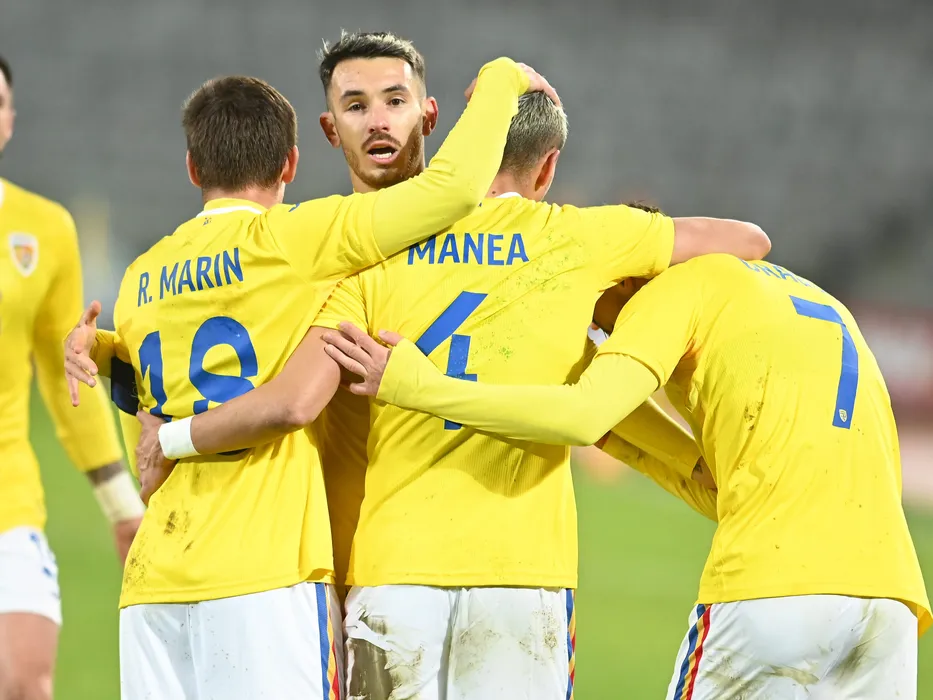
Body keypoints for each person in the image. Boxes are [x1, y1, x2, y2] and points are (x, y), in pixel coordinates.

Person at [112, 32, 770, 699]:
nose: (377, 120)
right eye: (356, 105)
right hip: (444, 574)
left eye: (393, 101)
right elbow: (742, 243)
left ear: (432, 121)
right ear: (322, 134)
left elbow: (259, 373)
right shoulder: (557, 241)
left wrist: (150, 408)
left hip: (369, 575)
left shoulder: (338, 262)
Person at [64, 57, 551, 699]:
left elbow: (147, 396)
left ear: (192, 169)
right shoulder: (299, 239)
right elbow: (453, 192)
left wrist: (94, 347)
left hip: (154, 582)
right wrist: (503, 78)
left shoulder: (141, 275)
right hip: (265, 571)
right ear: (290, 164)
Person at [328, 250, 931, 699]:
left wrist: (419, 386)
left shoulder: (676, 289)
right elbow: (715, 483)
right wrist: (623, 434)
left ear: (627, 282)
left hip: (774, 594)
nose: (600, 335)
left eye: (599, 319)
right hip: (892, 606)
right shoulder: (797, 300)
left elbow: (585, 410)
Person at [0, 54, 143, 700]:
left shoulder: (43, 229)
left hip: (9, 497)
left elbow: (67, 376)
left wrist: (121, 506)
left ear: (10, 120)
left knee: (26, 681)